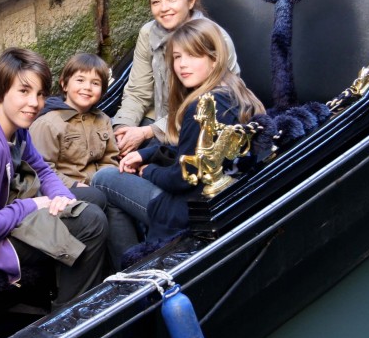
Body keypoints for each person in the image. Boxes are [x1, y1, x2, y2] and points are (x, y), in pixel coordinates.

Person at [0, 48, 109, 309]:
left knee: (93, 197)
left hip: (3, 216)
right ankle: (70, 316)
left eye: (40, 94)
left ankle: (87, 285)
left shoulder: (16, 129)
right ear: (0, 90)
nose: (34, 104)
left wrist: (61, 197)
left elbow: (43, 169)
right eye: (24, 92)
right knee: (91, 222)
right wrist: (31, 206)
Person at [93, 18, 264, 243]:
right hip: (220, 198)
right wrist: (148, 153)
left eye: (193, 55)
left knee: (104, 178)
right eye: (177, 57)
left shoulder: (202, 106)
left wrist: (148, 170)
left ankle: (132, 261)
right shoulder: (240, 92)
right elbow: (194, 150)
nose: (182, 65)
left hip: (188, 211)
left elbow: (183, 179)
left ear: (214, 59)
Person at [111, 0, 241, 155]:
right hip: (154, 118)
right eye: (156, 2)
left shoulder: (216, 39)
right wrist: (122, 129)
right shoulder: (148, 33)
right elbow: (138, 92)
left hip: (198, 126)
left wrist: (147, 132)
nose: (163, 8)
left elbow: (210, 105)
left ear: (191, 0)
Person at [29, 53, 140, 266]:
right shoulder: (48, 123)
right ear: (64, 84)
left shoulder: (103, 120)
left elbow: (110, 158)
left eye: (95, 83)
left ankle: (133, 260)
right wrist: (73, 184)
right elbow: (41, 169)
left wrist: (105, 178)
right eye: (80, 80)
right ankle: (129, 261)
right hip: (60, 192)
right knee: (108, 202)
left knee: (117, 197)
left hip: (97, 187)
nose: (87, 88)